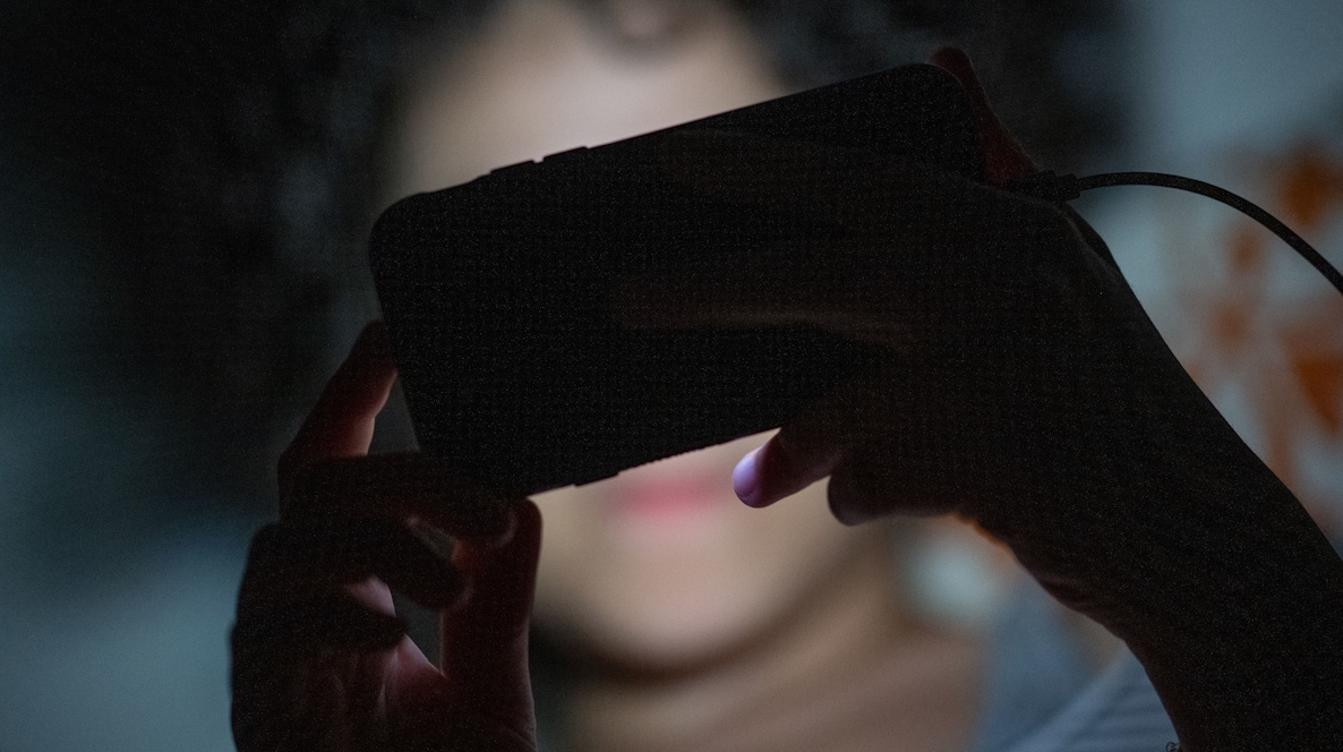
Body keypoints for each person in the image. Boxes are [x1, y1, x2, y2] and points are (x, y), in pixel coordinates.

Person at [229, 3, 1343, 751]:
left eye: (714, 247)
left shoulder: (1215, 646)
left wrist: (1228, 603)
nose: (647, 328)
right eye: (539, 285)